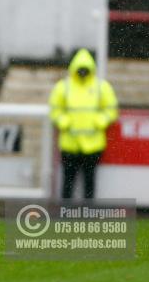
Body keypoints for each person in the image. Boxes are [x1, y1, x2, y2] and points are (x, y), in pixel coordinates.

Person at [49, 49, 119, 199]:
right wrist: (63, 121)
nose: (82, 72)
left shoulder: (101, 87)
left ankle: (87, 212)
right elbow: (55, 110)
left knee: (89, 181)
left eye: (85, 69)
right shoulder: (63, 87)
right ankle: (66, 213)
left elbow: (111, 110)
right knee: (68, 181)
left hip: (93, 144)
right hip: (69, 143)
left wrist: (100, 121)